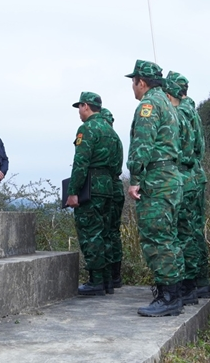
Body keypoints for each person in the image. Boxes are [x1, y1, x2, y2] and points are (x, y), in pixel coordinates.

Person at [125, 60, 185, 317]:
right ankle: (173, 292)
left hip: (157, 180)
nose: (133, 88)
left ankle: (168, 296)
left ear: (141, 81)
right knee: (169, 236)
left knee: (157, 238)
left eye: (133, 82)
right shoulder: (169, 104)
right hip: (171, 177)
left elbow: (143, 145)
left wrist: (135, 178)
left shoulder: (148, 104)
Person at [66, 92, 123, 296]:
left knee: (91, 233)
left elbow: (81, 163)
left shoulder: (87, 129)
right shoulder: (111, 132)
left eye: (79, 107)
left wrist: (73, 192)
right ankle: (107, 280)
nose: (79, 112)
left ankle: (96, 281)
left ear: (86, 106)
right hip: (109, 188)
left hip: (92, 187)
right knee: (106, 233)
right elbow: (117, 165)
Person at [162, 72, 204, 305]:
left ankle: (188, 285)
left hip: (185, 176)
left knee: (184, 232)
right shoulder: (192, 111)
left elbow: (181, 150)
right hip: (195, 175)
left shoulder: (180, 114)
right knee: (194, 231)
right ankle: (199, 282)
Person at [100, 107, 125, 289]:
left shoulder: (102, 137)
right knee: (114, 232)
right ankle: (116, 275)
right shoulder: (117, 139)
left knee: (104, 232)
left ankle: (106, 275)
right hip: (117, 186)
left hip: (105, 185)